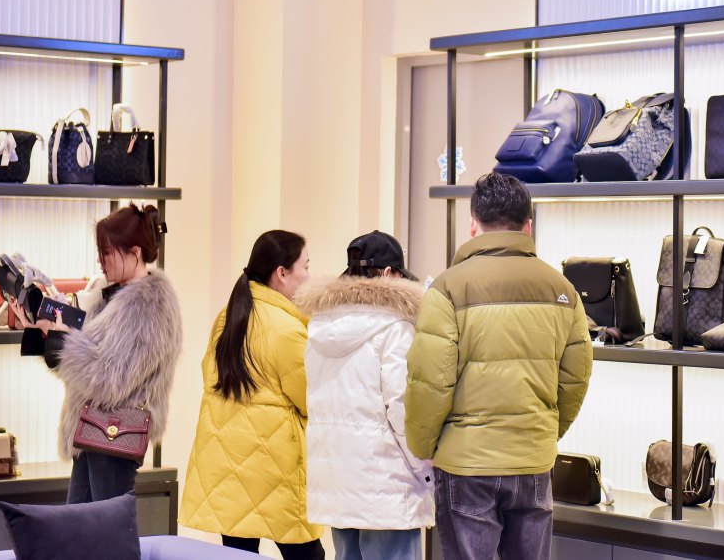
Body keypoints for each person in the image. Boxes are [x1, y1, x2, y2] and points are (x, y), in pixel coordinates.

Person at [404, 172, 593, 560]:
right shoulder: (563, 289)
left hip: (467, 463)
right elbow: (576, 377)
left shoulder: (447, 288)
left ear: (473, 225)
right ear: (528, 226)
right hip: (533, 459)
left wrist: (424, 447)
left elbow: (430, 381)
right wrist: (545, 431)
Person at [11, 203, 182, 503]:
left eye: (107, 252)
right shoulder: (111, 295)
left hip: (115, 433)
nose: (101, 261)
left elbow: (107, 378)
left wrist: (63, 338)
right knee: (82, 524)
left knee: (106, 526)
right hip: (94, 430)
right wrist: (45, 331)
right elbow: (83, 363)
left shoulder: (147, 306)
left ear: (135, 253)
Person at [180, 230, 324, 560]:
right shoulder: (286, 329)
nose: (309, 276)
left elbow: (209, 375)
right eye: (305, 266)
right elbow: (311, 399)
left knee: (239, 555)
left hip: (226, 464)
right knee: (307, 555)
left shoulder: (229, 315)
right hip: (275, 471)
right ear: (282, 273)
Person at [296, 230, 433, 560]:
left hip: (337, 488)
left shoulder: (319, 328)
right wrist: (426, 472)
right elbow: (403, 410)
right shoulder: (395, 328)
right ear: (387, 273)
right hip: (388, 489)